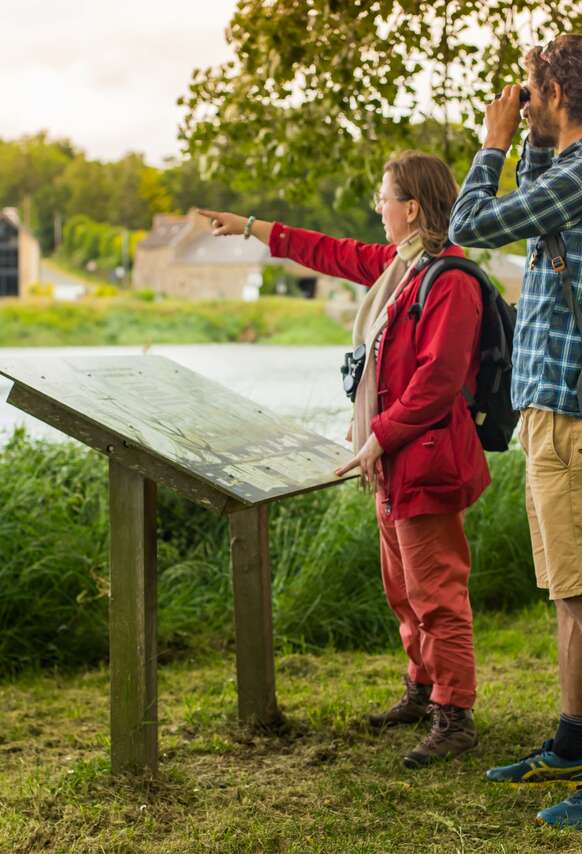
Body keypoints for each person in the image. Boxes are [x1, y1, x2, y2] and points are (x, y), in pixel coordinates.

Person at [198, 149, 491, 768]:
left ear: (411, 208)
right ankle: (421, 690)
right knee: (403, 590)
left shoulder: (451, 280)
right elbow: (330, 252)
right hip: (394, 459)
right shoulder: (401, 270)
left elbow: (438, 381)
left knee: (436, 591)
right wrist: (252, 227)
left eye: (383, 199)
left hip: (426, 458)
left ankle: (455, 715)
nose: (377, 210)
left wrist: (377, 435)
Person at [449, 33, 582, 830]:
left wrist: (489, 144)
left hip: (570, 414)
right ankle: (569, 743)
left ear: (553, 91)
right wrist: (528, 136)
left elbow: (473, 224)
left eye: (532, 91)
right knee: (567, 592)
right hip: (560, 409)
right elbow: (537, 198)